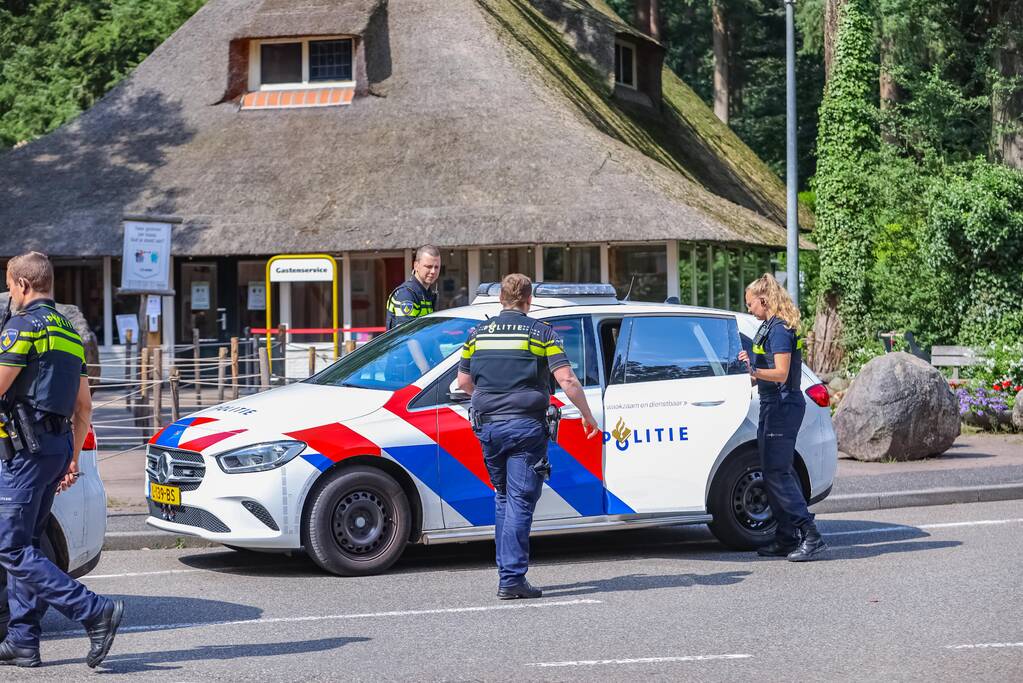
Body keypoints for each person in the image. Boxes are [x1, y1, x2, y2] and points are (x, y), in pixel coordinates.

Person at [0, 252, 123, 668]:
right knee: (29, 544)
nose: (10, 294)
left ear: (22, 284)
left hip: (24, 452)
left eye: (10, 286)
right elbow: (84, 407)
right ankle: (22, 641)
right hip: (52, 450)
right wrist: (71, 456)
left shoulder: (22, 327)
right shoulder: (70, 332)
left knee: (11, 548)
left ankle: (94, 610)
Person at [457, 274, 599, 599]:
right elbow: (567, 380)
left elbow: (463, 382)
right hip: (524, 427)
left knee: (503, 496)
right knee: (519, 500)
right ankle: (510, 579)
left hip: (487, 426)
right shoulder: (540, 332)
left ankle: (507, 572)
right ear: (528, 301)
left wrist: (492, 397)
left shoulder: (477, 334)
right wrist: (588, 415)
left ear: (501, 299)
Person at [738, 273, 827, 562]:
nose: (749, 308)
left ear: (764, 300)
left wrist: (754, 371)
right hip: (771, 404)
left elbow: (781, 374)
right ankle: (786, 536)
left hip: (783, 406)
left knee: (778, 472)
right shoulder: (767, 327)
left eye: (751, 303)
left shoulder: (779, 330)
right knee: (772, 470)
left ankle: (810, 534)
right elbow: (764, 372)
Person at [385, 245, 441, 330]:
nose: (433, 271)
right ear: (416, 266)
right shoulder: (406, 294)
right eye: (428, 266)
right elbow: (407, 336)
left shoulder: (427, 294)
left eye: (436, 267)